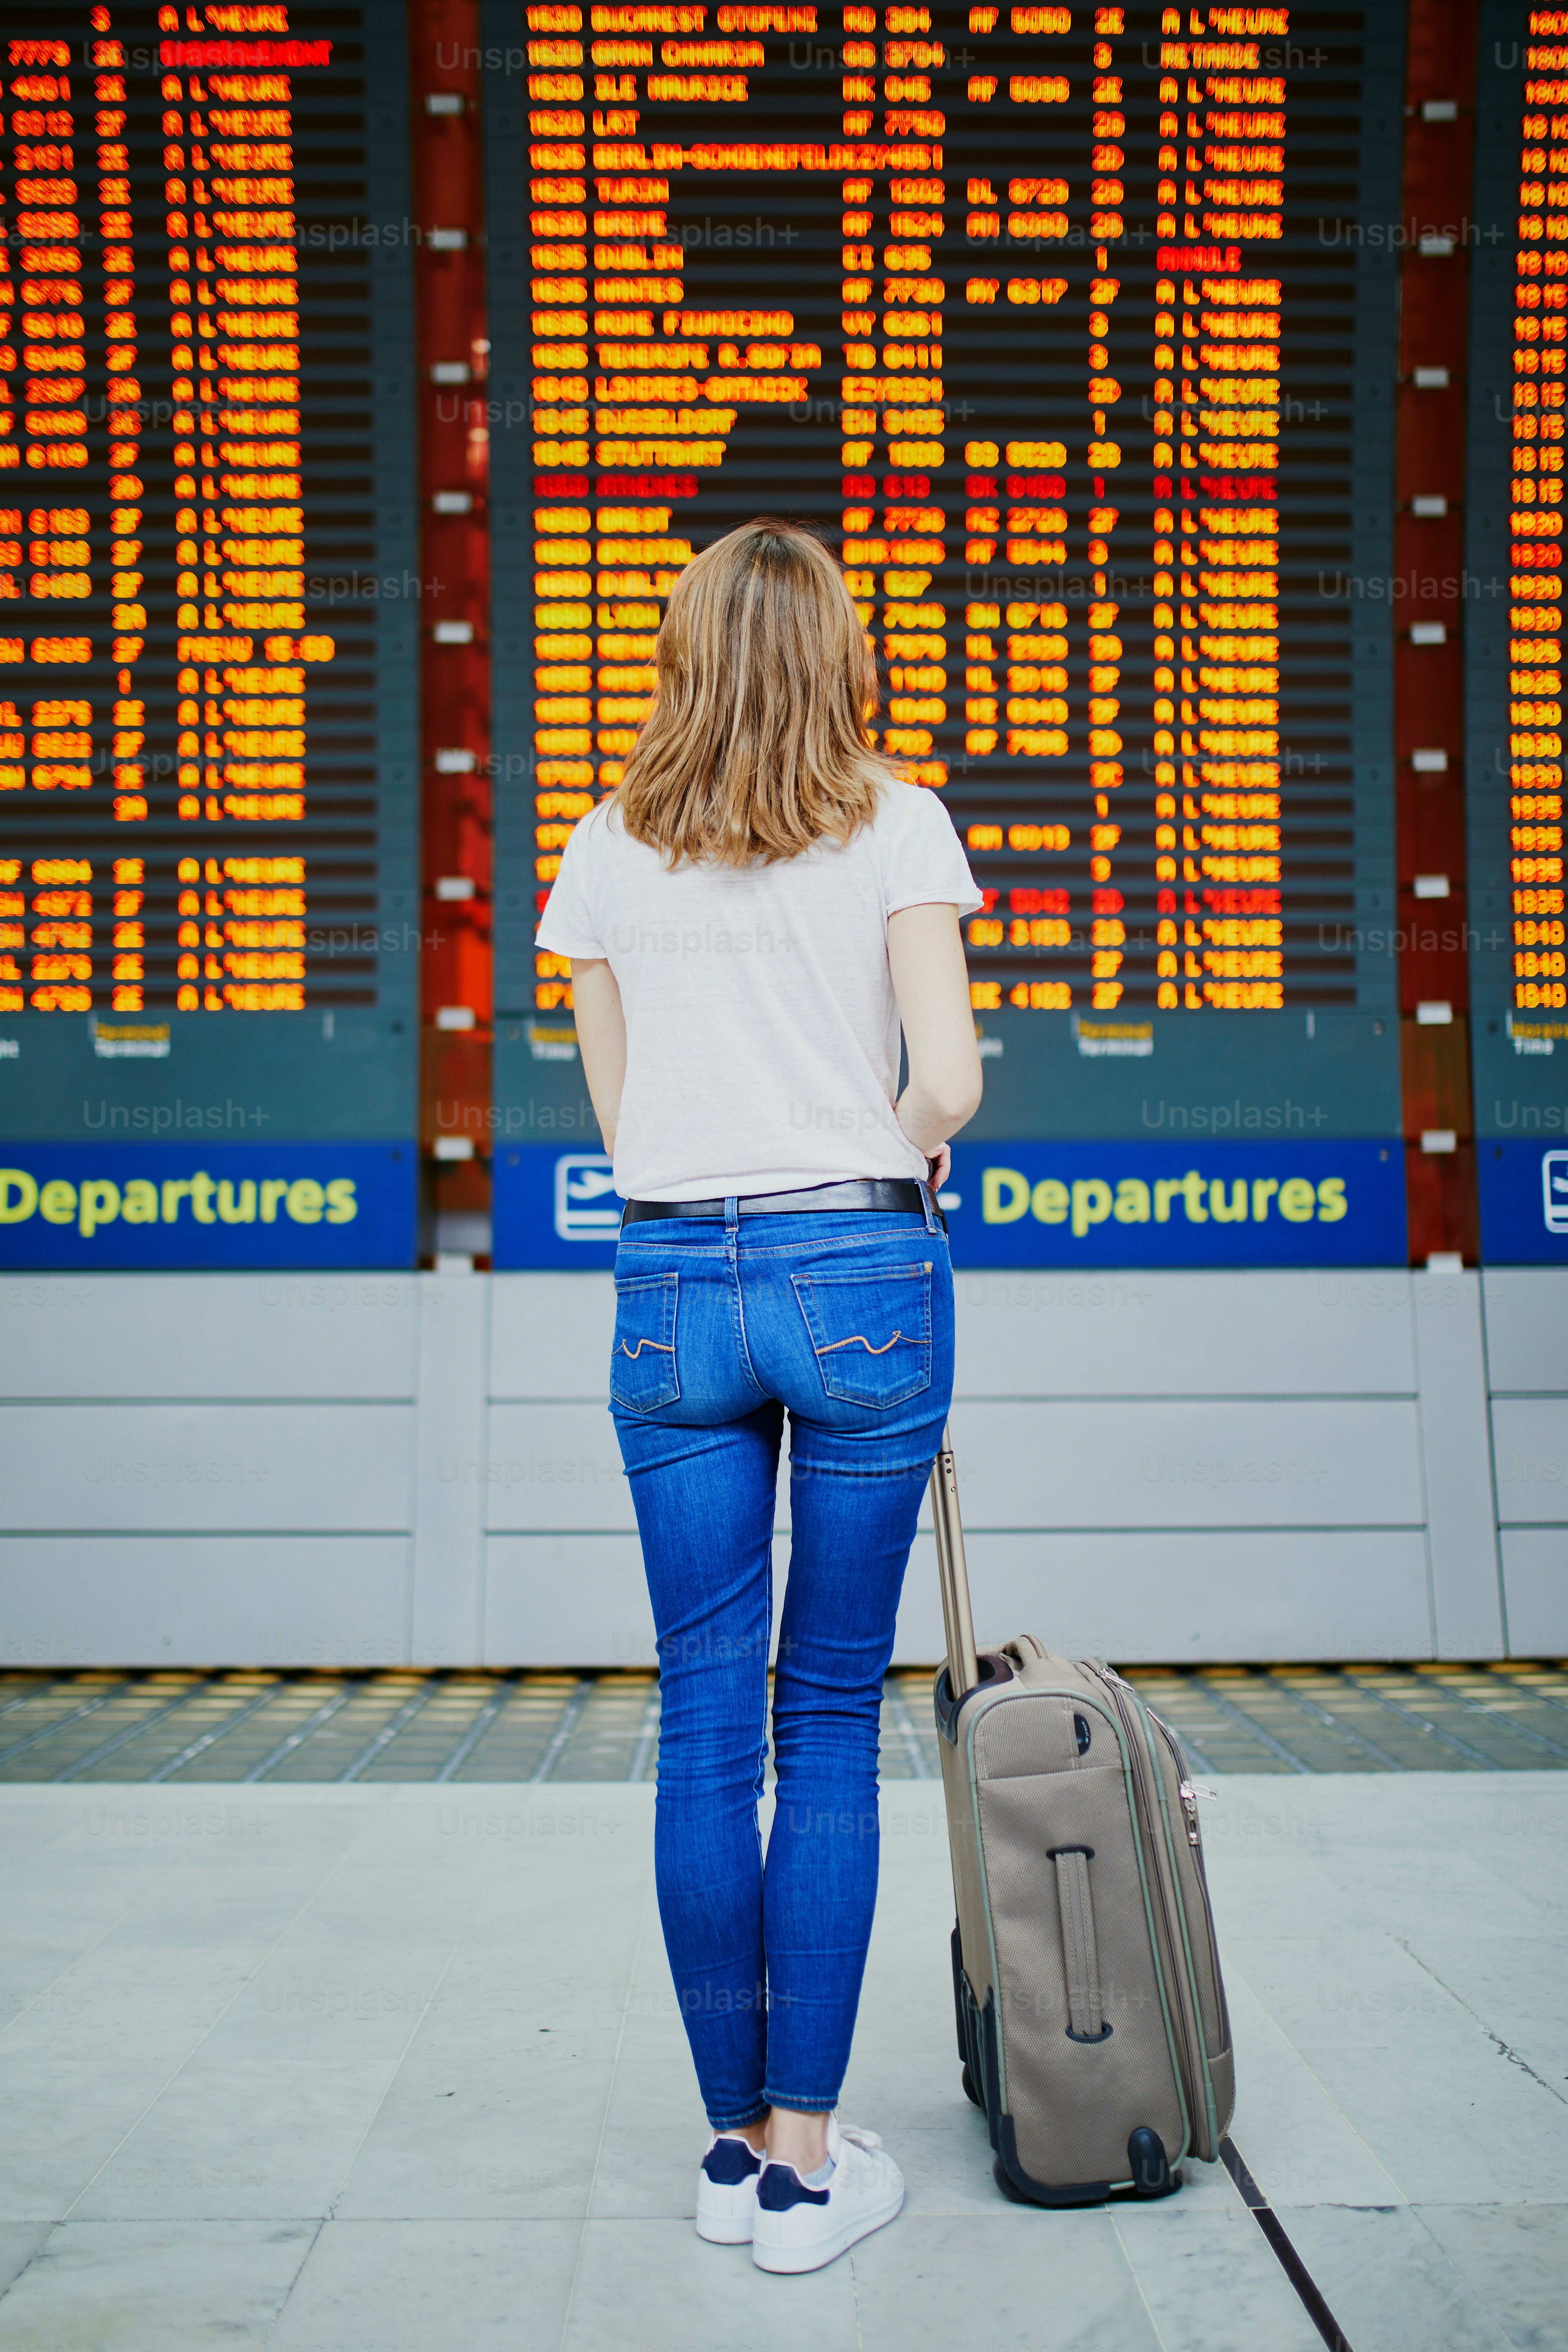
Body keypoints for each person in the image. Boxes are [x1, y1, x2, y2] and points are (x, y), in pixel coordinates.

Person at [535, 518, 982, 2275]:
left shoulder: (604, 845)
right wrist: (877, 1145)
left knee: (706, 1718)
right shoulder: (899, 817)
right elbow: (944, 1076)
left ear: (685, 652)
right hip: (860, 1270)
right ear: (839, 656)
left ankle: (729, 2147)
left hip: (671, 1283)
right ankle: (812, 2157)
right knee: (828, 1714)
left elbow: (620, 1117)